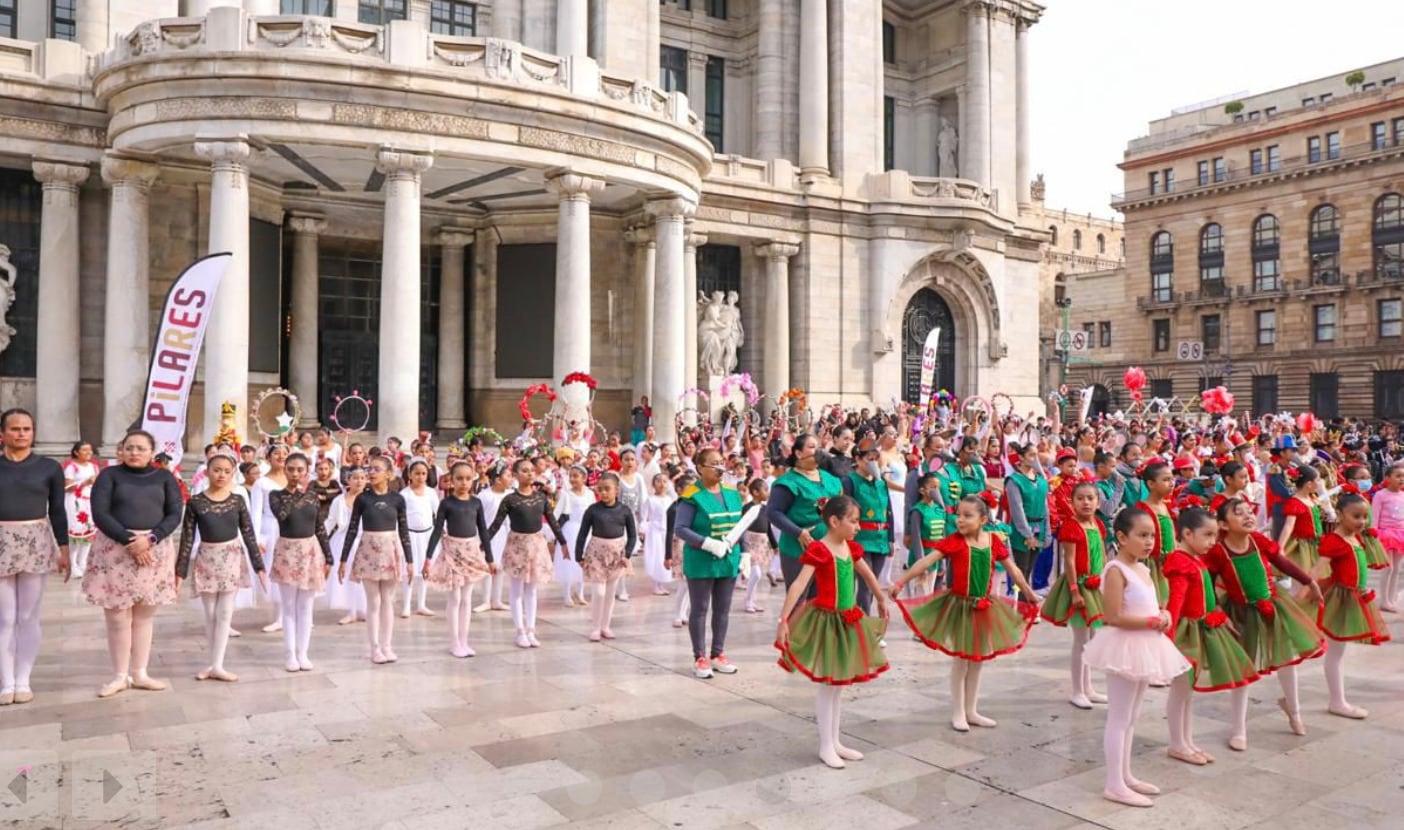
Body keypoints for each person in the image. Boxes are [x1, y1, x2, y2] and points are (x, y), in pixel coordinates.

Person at [890, 495, 1040, 732]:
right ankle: (958, 712)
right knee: (961, 661)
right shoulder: (955, 542)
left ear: (982, 519)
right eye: (958, 514)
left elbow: (1014, 570)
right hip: (960, 607)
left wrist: (1029, 593)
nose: (960, 520)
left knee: (977, 661)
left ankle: (972, 710)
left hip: (985, 606)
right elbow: (926, 561)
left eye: (967, 516)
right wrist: (901, 582)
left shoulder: (993, 541)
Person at [1081, 509, 1191, 808]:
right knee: (1119, 717)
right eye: (1142, 536)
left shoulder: (1143, 569)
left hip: (1145, 644)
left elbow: (1152, 604)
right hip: (1125, 646)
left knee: (1132, 716)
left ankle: (1125, 775)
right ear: (1121, 537)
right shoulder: (1115, 570)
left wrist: (1164, 614)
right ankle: (1114, 784)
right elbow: (1113, 616)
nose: (1149, 542)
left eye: (1152, 535)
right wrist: (1152, 622)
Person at [775, 495, 891, 769]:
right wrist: (784, 619)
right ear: (834, 521)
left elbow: (867, 574)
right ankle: (825, 745)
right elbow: (799, 585)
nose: (858, 526)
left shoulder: (850, 547)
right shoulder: (820, 549)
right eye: (853, 521)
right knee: (829, 686)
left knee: (839, 686)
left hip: (848, 620)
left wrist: (882, 599)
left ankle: (836, 741)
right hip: (826, 622)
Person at [1206, 498, 1323, 751]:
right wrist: (1216, 609)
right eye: (1239, 513)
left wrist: (1309, 581)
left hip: (1274, 606)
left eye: (1250, 511)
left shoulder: (1258, 541)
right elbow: (1208, 582)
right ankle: (1238, 728)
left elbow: (1282, 562)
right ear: (1223, 524)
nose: (1248, 516)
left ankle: (1294, 711)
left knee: (1287, 660)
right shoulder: (1218, 551)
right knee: (1243, 670)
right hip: (1240, 614)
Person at [83, 429, 182, 699]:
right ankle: (118, 675)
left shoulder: (164, 478)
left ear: (152, 452)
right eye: (129, 448)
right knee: (117, 616)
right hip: (116, 549)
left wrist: (151, 538)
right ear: (121, 450)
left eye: (140, 448)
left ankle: (140, 672)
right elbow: (100, 513)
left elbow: (174, 512)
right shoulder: (109, 476)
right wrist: (131, 541)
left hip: (154, 549)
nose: (134, 452)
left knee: (144, 615)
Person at [1163, 508, 1260, 767]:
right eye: (1207, 535)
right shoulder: (1181, 562)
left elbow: (1207, 596)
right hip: (1187, 633)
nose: (1212, 542)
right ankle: (1177, 743)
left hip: (1201, 628)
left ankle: (1187, 740)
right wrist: (1169, 641)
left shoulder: (1195, 559)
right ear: (1186, 533)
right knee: (1180, 691)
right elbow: (1175, 604)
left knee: (1187, 692)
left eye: (1214, 536)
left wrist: (1216, 612)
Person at [175, 453, 267, 682]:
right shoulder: (196, 502)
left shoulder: (237, 500)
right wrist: (179, 572)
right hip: (207, 558)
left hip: (231, 557)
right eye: (216, 470)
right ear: (207, 471)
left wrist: (259, 567)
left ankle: (218, 664)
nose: (221, 475)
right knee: (210, 614)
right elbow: (187, 538)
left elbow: (248, 534)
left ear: (233, 473)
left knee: (225, 612)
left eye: (226, 471)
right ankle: (211, 662)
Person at [0, 409, 69, 706]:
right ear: (2, 433)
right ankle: (6, 682)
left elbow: (57, 509)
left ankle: (23, 678)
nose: (21, 434)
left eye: (27, 428)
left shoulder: (49, 468)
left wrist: (64, 547)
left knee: (28, 616)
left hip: (35, 541)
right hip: (1, 539)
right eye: (15, 429)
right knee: (5, 617)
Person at [1316, 493, 1391, 719]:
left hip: (1354, 596)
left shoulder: (1353, 537)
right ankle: (1337, 701)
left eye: (1365, 517)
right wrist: (1305, 592)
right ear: (1339, 515)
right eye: (1356, 516)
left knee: (1338, 651)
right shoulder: (1334, 541)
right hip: (1340, 599)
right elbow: (1317, 570)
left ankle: (1337, 700)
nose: (1361, 521)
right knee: (1335, 651)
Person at [673, 447, 744, 679]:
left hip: (728, 559)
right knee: (700, 609)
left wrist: (745, 554)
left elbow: (739, 526)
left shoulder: (733, 493)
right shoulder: (691, 495)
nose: (720, 467)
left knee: (722, 609)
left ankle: (718, 653)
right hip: (701, 560)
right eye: (713, 463)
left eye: (721, 462)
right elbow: (681, 528)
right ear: (700, 468)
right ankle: (700, 657)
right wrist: (706, 543)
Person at [486, 459, 568, 648]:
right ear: (515, 475)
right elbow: (496, 524)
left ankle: (531, 629)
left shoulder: (541, 498)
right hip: (517, 545)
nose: (530, 474)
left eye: (532, 470)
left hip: (536, 544)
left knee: (532, 590)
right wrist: (484, 543)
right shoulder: (510, 500)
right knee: (516, 591)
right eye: (524, 471)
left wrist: (562, 542)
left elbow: (553, 521)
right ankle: (520, 630)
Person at [338, 457, 412, 664]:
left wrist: (409, 559)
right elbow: (352, 528)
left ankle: (387, 645)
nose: (371, 473)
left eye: (377, 469)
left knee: (388, 600)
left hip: (390, 548)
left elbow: (404, 529)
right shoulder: (363, 499)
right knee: (374, 601)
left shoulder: (397, 499)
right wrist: (343, 559)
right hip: (368, 550)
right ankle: (374, 648)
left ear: (389, 474)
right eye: (370, 469)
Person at [1040, 481, 1108, 710]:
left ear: (1098, 502)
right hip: (1078, 585)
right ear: (1072, 501)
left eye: (1090, 498)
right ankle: (1077, 690)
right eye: (1080, 498)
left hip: (1095, 585)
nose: (1086, 502)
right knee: (1081, 641)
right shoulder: (1071, 526)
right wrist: (1074, 590)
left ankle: (1088, 687)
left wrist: (1106, 580)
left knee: (1092, 638)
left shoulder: (1098, 524)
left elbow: (1102, 554)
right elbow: (1068, 560)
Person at [268, 453, 334, 672]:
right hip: (287, 550)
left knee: (306, 606)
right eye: (291, 469)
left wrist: (329, 556)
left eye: (300, 470)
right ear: (285, 470)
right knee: (288, 606)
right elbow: (282, 515)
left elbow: (319, 527)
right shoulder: (276, 495)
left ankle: (303, 653)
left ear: (307, 471)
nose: (296, 473)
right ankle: (289, 654)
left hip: (310, 551)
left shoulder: (313, 497)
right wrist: (294, 491)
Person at [423, 462, 495, 657]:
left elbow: (483, 531)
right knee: (454, 598)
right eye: (459, 479)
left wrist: (489, 558)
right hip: (452, 551)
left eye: (468, 478)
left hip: (471, 551)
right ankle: (454, 641)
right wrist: (428, 558)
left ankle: (464, 640)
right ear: (451, 480)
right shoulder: (447, 503)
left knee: (467, 598)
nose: (464, 483)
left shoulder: (476, 502)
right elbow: (437, 530)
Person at [768, 434, 845, 590]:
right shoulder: (788, 482)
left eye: (818, 447)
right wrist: (798, 532)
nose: (816, 451)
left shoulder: (831, 479)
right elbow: (773, 512)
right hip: (798, 549)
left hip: (829, 547)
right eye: (811, 447)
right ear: (798, 453)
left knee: (824, 600)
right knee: (799, 600)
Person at [574, 473, 638, 641]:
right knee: (599, 592)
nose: (603, 493)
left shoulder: (624, 511)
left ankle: (605, 626)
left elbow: (632, 535)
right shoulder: (593, 510)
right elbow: (582, 533)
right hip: (596, 553)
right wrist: (578, 555)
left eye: (607, 489)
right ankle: (595, 627)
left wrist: (628, 554)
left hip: (617, 554)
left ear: (616, 490)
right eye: (600, 489)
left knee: (610, 592)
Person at [841, 439, 894, 614]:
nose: (873, 463)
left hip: (880, 539)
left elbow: (889, 510)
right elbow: (845, 510)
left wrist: (891, 538)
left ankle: (861, 618)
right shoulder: (850, 481)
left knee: (873, 583)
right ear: (857, 459)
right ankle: (864, 623)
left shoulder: (881, 483)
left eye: (875, 459)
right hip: (860, 539)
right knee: (866, 584)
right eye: (868, 459)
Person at [249, 444, 289, 633]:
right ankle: (279, 616)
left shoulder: (293, 478)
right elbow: (255, 513)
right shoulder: (261, 483)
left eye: (284, 453)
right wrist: (257, 538)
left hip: (293, 529)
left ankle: (293, 614)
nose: (281, 456)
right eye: (276, 453)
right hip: (271, 529)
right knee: (276, 570)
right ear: (268, 457)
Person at [1004, 442, 1050, 600]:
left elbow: (1045, 508)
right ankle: (1022, 603)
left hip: (1040, 527)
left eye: (1036, 455)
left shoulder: (1041, 481)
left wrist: (1047, 532)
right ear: (1021, 457)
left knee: (1030, 567)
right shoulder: (1014, 481)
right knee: (1021, 568)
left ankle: (1025, 600)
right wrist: (1027, 534)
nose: (1034, 459)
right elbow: (1017, 510)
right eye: (1031, 455)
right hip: (1022, 530)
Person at [324, 466, 367, 625]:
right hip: (343, 540)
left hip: (364, 539)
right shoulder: (339, 500)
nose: (359, 481)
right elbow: (330, 521)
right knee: (347, 575)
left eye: (362, 478)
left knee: (364, 576)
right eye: (355, 478)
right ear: (348, 480)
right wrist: (320, 538)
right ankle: (352, 610)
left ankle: (364, 609)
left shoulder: (369, 498)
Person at [1132, 461, 1176, 607]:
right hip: (1151, 562)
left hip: (1168, 562)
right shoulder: (1142, 508)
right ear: (1151, 484)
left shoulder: (1165, 506)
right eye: (1165, 480)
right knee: (1154, 602)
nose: (1171, 483)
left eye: (1171, 479)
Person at [400, 460, 440, 619]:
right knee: (408, 571)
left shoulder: (431, 493)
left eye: (423, 473)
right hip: (409, 536)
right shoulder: (404, 494)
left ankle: (421, 604)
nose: (420, 477)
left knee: (425, 570)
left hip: (427, 535)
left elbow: (438, 512)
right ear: (410, 475)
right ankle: (406, 605)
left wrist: (442, 530)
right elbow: (400, 517)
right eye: (417, 473)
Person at [472, 462, 513, 613]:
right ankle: (485, 600)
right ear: (497, 479)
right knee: (488, 566)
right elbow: (479, 517)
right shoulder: (485, 495)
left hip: (504, 533)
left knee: (500, 568)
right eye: (507, 476)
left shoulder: (509, 495)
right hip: (487, 534)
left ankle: (497, 600)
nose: (510, 479)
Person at [1277, 465, 1325, 578]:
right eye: (1317, 480)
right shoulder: (1295, 502)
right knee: (1303, 575)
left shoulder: (1311, 498)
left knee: (1317, 576)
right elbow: (1289, 526)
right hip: (1303, 547)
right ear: (1309, 484)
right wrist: (1280, 547)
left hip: (1316, 543)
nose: (1319, 482)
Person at [62, 441, 101, 578]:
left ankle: (83, 562)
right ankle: (72, 564)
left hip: (89, 501)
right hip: (75, 502)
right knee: (76, 533)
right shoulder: (71, 467)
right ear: (76, 452)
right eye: (84, 450)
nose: (88, 453)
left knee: (89, 532)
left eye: (90, 450)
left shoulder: (94, 467)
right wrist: (84, 483)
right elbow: (66, 487)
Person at [740, 478, 778, 613]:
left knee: (756, 574)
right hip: (749, 542)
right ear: (755, 492)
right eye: (765, 489)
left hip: (761, 543)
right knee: (756, 573)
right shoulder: (747, 508)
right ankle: (748, 601)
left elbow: (768, 527)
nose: (768, 492)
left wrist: (774, 545)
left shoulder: (765, 509)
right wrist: (742, 546)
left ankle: (752, 601)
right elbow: (742, 527)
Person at [1372, 461, 1404, 612]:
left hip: (1400, 534)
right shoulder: (1380, 495)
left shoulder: (1402, 495)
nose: (1401, 479)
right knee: (1388, 568)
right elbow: (1375, 516)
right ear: (1388, 478)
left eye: (1403, 476)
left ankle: (1391, 598)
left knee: (1397, 568)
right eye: (1398, 476)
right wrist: (1374, 535)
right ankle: (1384, 600)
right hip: (1385, 533)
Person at [641, 473, 676, 596]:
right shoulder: (650, 500)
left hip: (666, 532)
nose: (662, 484)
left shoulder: (670, 500)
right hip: (654, 532)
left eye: (664, 481)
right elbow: (644, 518)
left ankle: (661, 583)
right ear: (653, 484)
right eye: (658, 481)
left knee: (665, 556)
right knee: (656, 557)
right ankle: (656, 585)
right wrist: (643, 530)